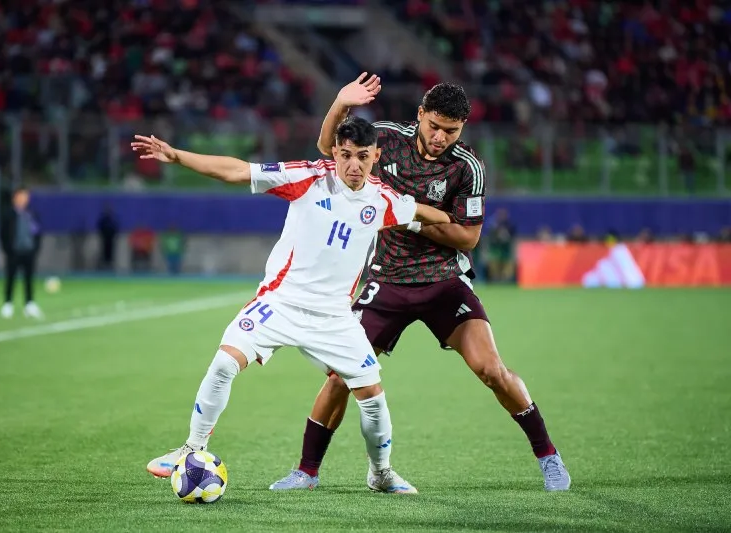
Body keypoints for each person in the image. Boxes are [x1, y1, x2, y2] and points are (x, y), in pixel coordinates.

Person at [270, 74, 571, 492]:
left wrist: (409, 216)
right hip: (386, 281)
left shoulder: (467, 169)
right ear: (420, 116)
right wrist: (340, 104)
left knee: (491, 369)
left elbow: (468, 237)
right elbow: (328, 149)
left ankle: (548, 456)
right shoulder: (387, 140)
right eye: (434, 126)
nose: (440, 137)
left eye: (451, 130)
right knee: (341, 376)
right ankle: (307, 471)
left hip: (443, 282)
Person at [132, 116, 453, 494]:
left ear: (376, 157)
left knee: (373, 398)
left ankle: (380, 473)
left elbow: (419, 211)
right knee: (223, 363)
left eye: (362, 157)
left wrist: (451, 222)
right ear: (334, 152)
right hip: (280, 303)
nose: (353, 165)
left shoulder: (382, 199)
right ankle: (192, 447)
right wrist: (177, 156)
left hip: (335, 318)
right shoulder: (308, 177)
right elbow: (239, 171)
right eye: (345, 155)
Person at [0, 186, 43, 319]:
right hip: (14, 252)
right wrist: (7, 249)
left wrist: (35, 248)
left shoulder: (31, 214)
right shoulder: (8, 214)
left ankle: (29, 304)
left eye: (26, 197)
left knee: (29, 279)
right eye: (21, 196)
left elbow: (38, 232)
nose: (24, 199)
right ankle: (8, 304)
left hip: (28, 251)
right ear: (15, 197)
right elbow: (2, 234)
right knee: (11, 278)